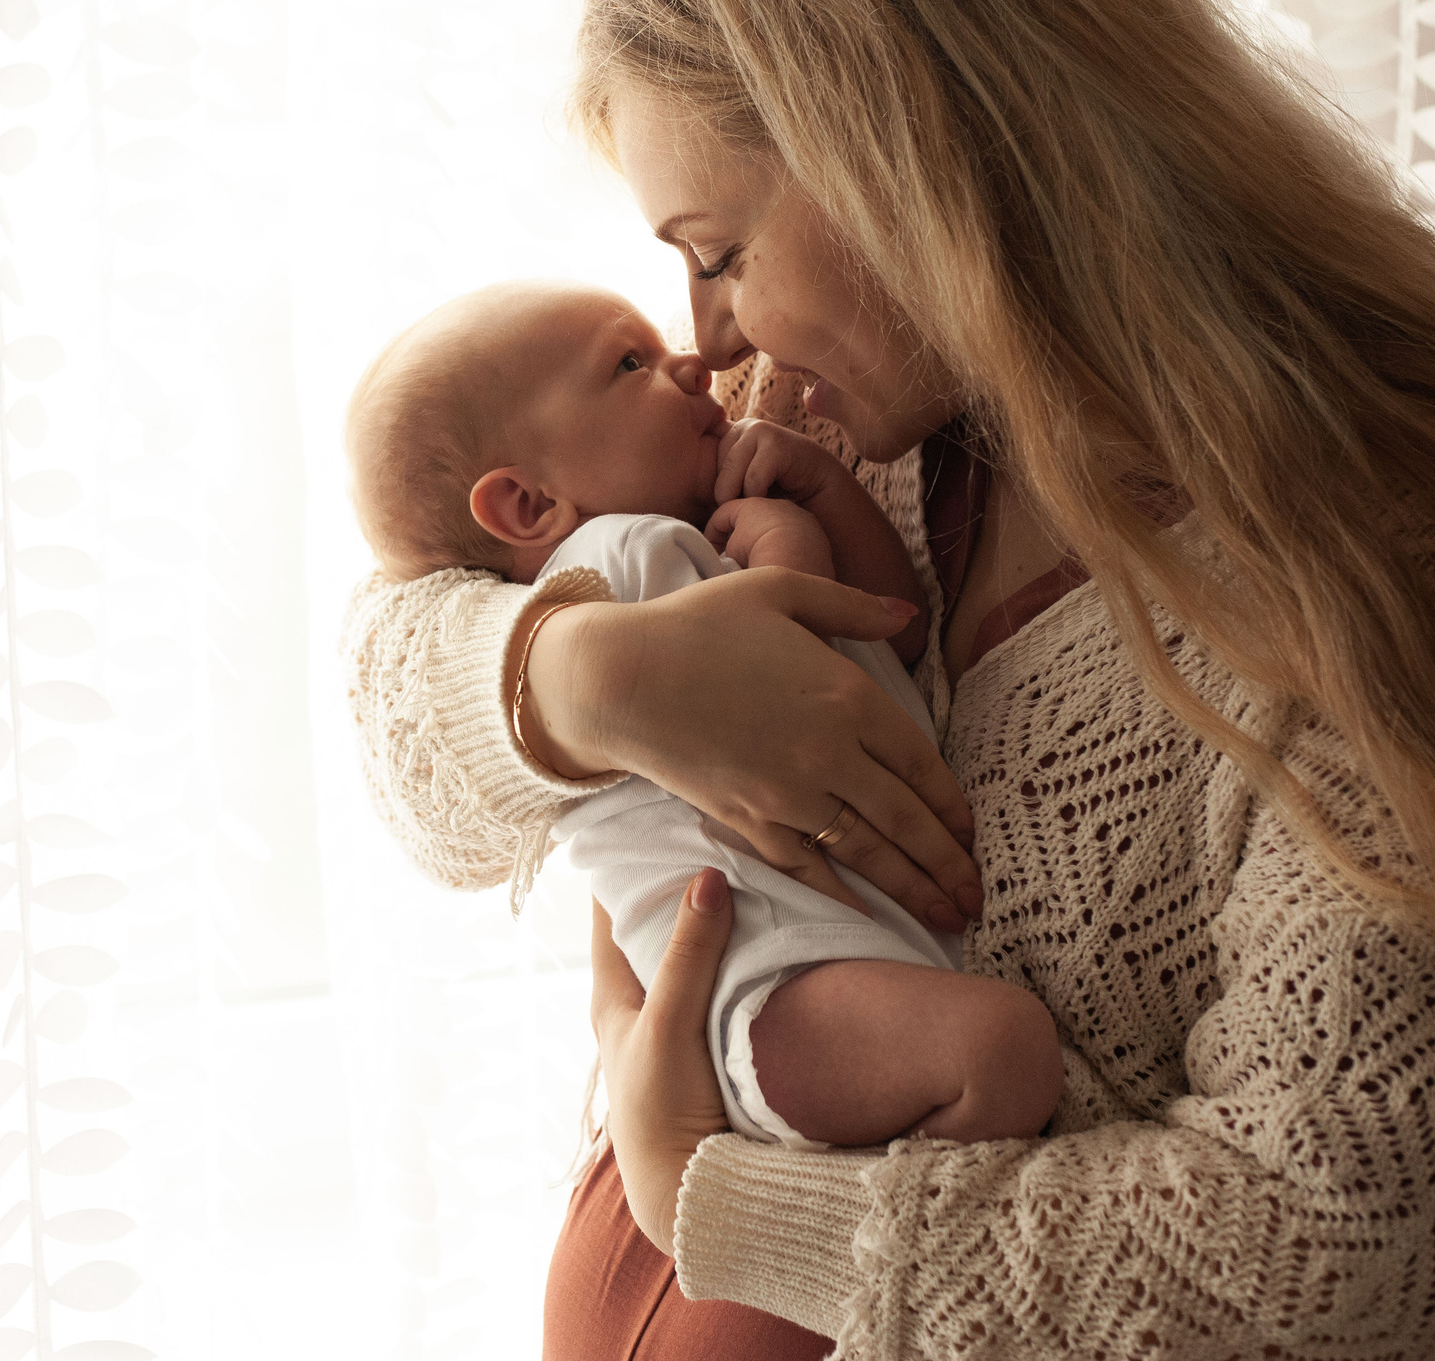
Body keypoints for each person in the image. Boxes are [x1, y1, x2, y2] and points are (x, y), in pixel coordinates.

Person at [342, 0, 1435, 1360]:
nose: (707, 339)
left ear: (909, 163)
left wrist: (713, 1199)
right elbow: (408, 679)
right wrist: (578, 674)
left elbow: (1320, 1262)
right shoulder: (833, 421)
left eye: (720, 255)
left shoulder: (1415, 575)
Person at [342, 279, 1062, 1151]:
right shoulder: (613, 561)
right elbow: (801, 660)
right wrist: (792, 538)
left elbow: (894, 634)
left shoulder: (688, 540)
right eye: (629, 363)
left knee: (999, 1055)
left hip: (801, 987)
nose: (690, 362)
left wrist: (823, 493)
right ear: (531, 505)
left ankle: (871, 1180)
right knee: (1006, 1051)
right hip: (774, 987)